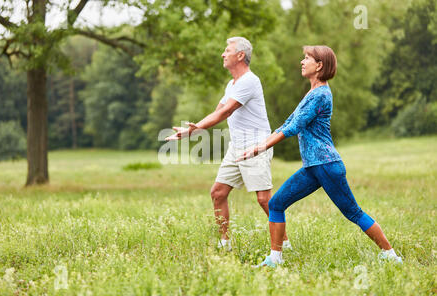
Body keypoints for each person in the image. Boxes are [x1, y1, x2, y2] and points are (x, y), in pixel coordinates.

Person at [237, 45, 403, 266]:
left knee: (352, 212)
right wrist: (259, 144)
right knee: (276, 204)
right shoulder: (312, 92)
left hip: (326, 164)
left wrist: (260, 148)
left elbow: (294, 127)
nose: (302, 61)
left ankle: (390, 255)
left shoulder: (321, 94)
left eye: (307, 58)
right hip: (313, 167)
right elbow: (288, 122)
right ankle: (274, 259)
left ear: (320, 65)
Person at [166, 37, 290, 250]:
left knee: (263, 199)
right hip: (236, 147)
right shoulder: (231, 84)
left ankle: (284, 243)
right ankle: (225, 243)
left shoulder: (250, 81)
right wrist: (191, 130)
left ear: (240, 55)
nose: (223, 54)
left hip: (255, 147)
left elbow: (226, 111)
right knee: (218, 193)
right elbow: (218, 109)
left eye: (227, 50)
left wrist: (196, 129)